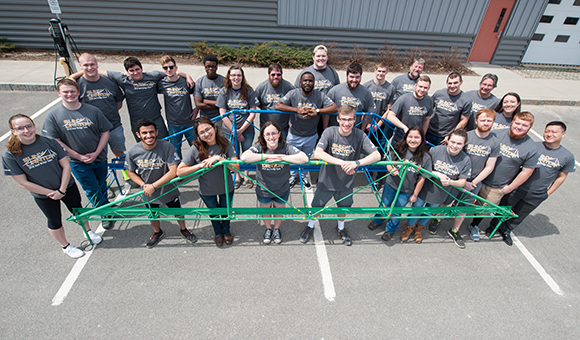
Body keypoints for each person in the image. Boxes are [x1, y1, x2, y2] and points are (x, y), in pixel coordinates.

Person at [3, 114, 102, 258]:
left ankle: (88, 231)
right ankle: (66, 246)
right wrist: (51, 193)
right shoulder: (10, 155)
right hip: (44, 194)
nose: (26, 130)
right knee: (54, 220)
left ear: (33, 125)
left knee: (78, 211)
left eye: (29, 126)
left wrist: (62, 189)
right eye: (20, 128)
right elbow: (22, 182)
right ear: (13, 131)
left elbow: (66, 166)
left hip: (66, 186)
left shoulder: (48, 142)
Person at [301, 105, 381, 246]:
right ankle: (310, 225)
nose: (346, 123)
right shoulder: (329, 132)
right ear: (338, 119)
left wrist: (356, 163)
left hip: (346, 182)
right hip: (327, 181)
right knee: (316, 206)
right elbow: (318, 153)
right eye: (343, 119)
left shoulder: (359, 135)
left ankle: (341, 228)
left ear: (355, 120)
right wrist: (342, 163)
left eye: (350, 119)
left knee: (343, 207)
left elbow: (377, 155)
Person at [42, 78, 114, 229]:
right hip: (76, 162)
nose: (70, 94)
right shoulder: (53, 115)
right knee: (92, 188)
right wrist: (78, 156)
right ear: (59, 93)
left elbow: (105, 132)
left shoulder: (92, 110)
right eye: (65, 92)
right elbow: (55, 140)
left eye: (73, 91)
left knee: (101, 184)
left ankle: (105, 205)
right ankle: (104, 213)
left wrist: (96, 152)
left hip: (99, 157)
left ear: (78, 92)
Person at [491, 121, 574, 243]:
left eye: (554, 132)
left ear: (563, 134)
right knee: (504, 208)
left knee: (520, 214)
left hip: (537, 193)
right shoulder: (533, 146)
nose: (549, 134)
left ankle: (506, 229)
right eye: (547, 131)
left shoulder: (567, 156)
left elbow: (561, 176)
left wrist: (548, 193)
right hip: (518, 188)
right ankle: (493, 226)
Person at [469, 111, 539, 246]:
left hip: (497, 186)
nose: (519, 127)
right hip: (477, 179)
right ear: (512, 122)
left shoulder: (531, 148)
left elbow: (526, 172)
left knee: (484, 209)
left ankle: (474, 225)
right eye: (517, 123)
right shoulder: (496, 134)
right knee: (462, 203)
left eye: (524, 125)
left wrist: (510, 187)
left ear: (530, 127)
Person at [125, 118, 197, 248]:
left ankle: (183, 229)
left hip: (168, 190)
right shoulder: (132, 151)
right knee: (153, 215)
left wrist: (153, 186)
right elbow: (130, 172)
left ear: (157, 132)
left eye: (151, 132)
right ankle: (157, 232)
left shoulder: (167, 146)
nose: (149, 136)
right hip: (148, 192)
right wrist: (144, 185)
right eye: (144, 133)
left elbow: (173, 171)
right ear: (138, 135)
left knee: (178, 211)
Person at [241, 121, 308, 244]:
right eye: (267, 134)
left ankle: (276, 229)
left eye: (274, 133)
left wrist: (282, 157)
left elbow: (304, 158)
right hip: (263, 189)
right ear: (263, 136)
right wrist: (265, 157)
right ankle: (268, 229)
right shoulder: (259, 147)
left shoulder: (285, 147)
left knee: (279, 210)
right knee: (266, 211)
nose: (271, 137)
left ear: (279, 134)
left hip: (281, 188)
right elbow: (244, 157)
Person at [177, 117, 239, 247]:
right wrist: (199, 166)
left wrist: (219, 158)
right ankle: (218, 233)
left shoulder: (226, 143)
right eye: (202, 132)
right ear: (198, 135)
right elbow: (180, 171)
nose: (206, 134)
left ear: (214, 128)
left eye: (208, 129)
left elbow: (236, 167)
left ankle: (226, 231)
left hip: (226, 187)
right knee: (214, 213)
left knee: (226, 211)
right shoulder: (196, 148)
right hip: (207, 190)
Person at [444, 108, 499, 248]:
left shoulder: (494, 142)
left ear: (493, 122)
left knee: (464, 207)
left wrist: (473, 182)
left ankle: (454, 230)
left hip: (474, 182)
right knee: (444, 201)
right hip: (455, 178)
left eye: (489, 120)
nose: (485, 123)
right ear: (476, 121)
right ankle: (437, 220)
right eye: (482, 120)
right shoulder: (466, 137)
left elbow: (489, 166)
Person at [367, 127, 432, 242]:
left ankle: (390, 230)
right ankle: (377, 220)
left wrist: (415, 195)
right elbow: (388, 161)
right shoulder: (398, 147)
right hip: (391, 185)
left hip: (407, 190)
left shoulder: (425, 157)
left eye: (417, 137)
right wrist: (390, 169)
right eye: (410, 136)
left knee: (397, 210)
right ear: (406, 137)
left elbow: (422, 178)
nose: (413, 140)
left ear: (422, 139)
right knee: (384, 204)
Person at [406, 129, 471, 243]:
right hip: (425, 189)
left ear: (464, 144)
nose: (455, 146)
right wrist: (438, 174)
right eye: (453, 142)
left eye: (459, 143)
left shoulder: (465, 159)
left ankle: (419, 228)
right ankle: (409, 227)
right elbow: (426, 168)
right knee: (416, 209)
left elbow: (462, 182)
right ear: (448, 140)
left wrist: (451, 182)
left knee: (429, 212)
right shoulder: (435, 150)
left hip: (441, 193)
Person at [275, 72, 338, 189]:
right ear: (300, 82)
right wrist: (296, 110)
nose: (307, 83)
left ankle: (303, 176)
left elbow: (334, 107)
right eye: (305, 80)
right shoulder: (293, 93)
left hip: (311, 135)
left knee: (306, 158)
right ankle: (293, 176)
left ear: (314, 83)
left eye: (310, 81)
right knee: (293, 158)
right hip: (294, 134)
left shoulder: (319, 95)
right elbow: (278, 106)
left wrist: (317, 111)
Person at [216, 65, 259, 189]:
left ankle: (246, 175)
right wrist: (234, 131)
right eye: (233, 75)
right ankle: (237, 176)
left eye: (239, 75)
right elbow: (222, 113)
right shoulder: (224, 91)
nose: (236, 78)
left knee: (247, 153)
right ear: (229, 77)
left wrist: (241, 131)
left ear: (242, 77)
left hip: (247, 129)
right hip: (229, 130)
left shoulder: (249, 91)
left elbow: (252, 113)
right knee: (233, 153)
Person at [76, 53, 126, 160]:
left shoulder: (110, 82)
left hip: (114, 126)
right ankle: (104, 176)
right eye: (85, 65)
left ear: (97, 64)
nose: (89, 68)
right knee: (99, 156)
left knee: (120, 154)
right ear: (80, 66)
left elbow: (118, 103)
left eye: (92, 64)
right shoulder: (77, 85)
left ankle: (126, 176)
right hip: (93, 130)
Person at [157, 55, 196, 159]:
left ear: (176, 67)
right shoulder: (161, 83)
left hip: (189, 122)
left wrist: (197, 108)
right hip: (173, 124)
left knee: (197, 147)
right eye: (165, 68)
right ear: (163, 69)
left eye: (171, 67)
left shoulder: (186, 82)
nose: (169, 70)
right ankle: (179, 172)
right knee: (175, 150)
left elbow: (198, 95)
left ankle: (199, 171)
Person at [380, 75, 433, 144]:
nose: (422, 90)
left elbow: (426, 119)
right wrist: (404, 127)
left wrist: (422, 135)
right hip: (400, 138)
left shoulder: (429, 100)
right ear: (415, 85)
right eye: (420, 86)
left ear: (429, 88)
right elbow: (390, 116)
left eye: (425, 88)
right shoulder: (404, 98)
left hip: (415, 141)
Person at [326, 62, 376, 130]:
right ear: (346, 76)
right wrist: (325, 129)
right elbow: (326, 112)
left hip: (354, 131)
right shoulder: (334, 91)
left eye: (357, 77)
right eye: (351, 77)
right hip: (335, 131)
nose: (354, 80)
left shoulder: (366, 93)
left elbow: (369, 113)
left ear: (361, 76)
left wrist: (362, 131)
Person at [426, 72, 472, 146]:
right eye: (450, 83)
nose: (452, 86)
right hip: (429, 131)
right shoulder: (439, 94)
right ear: (446, 83)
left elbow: (464, 120)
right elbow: (428, 110)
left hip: (445, 137)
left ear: (461, 82)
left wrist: (451, 136)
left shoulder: (466, 100)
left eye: (455, 83)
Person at [255, 63, 294, 137]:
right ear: (269, 75)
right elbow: (258, 103)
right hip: (265, 126)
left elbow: (293, 103)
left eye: (278, 74)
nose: (276, 77)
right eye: (273, 75)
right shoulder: (261, 87)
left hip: (282, 127)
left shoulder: (289, 87)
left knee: (282, 147)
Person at [194, 54, 225, 128]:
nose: (210, 69)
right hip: (205, 119)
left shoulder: (224, 81)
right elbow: (198, 105)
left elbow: (225, 103)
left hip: (221, 118)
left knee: (221, 139)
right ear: (204, 67)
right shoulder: (199, 82)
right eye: (208, 66)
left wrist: (207, 101)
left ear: (217, 67)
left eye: (213, 66)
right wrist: (218, 105)